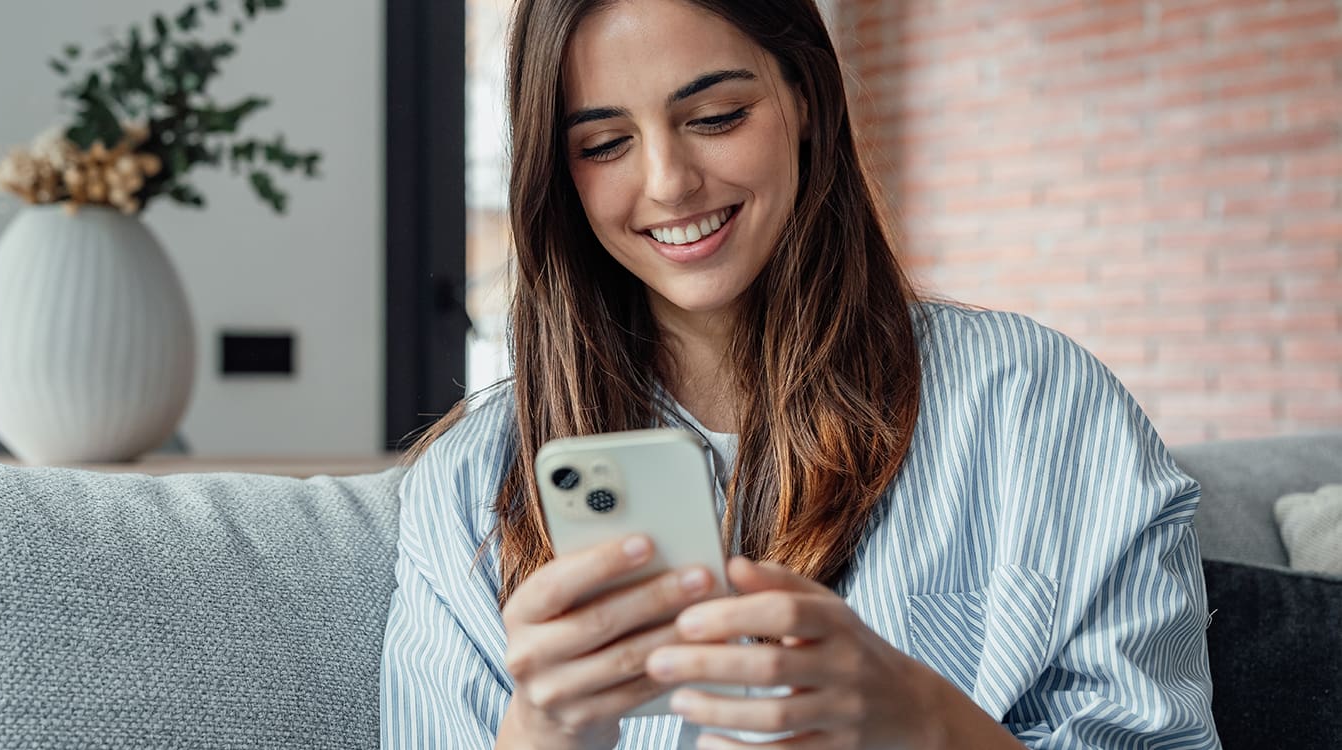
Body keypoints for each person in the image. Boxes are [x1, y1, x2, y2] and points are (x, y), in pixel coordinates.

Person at [381, 0, 1221, 747]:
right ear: (557, 176)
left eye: (715, 116)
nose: (669, 183)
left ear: (807, 99)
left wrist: (924, 723)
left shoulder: (1036, 404)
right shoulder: (468, 490)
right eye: (604, 144)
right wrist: (543, 735)